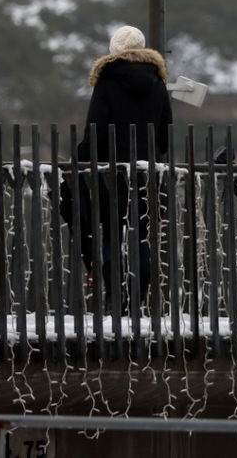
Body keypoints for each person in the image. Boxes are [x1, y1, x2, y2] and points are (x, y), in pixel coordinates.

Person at [60, 25, 172, 314]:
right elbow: (164, 135)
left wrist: (80, 160)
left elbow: (95, 131)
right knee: (142, 233)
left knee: (111, 232)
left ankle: (114, 297)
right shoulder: (158, 84)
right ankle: (138, 297)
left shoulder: (106, 83)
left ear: (113, 51)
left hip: (109, 175)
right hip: (146, 174)